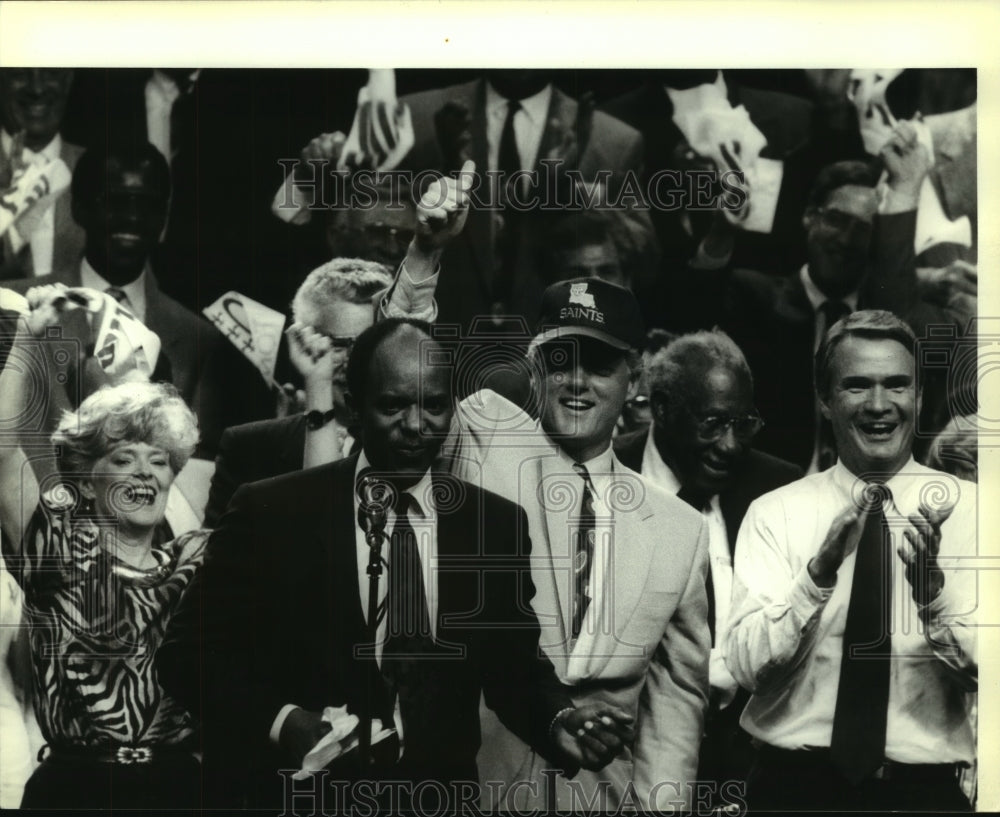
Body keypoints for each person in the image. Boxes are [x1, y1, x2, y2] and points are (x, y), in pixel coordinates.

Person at [159, 317, 632, 810]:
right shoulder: (272, 512)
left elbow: (515, 670)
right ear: (356, 407)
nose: (415, 426)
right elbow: (185, 657)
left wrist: (559, 721)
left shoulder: (492, 524)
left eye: (433, 406)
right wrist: (286, 721)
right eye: (393, 405)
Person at [384, 248, 710, 808]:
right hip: (471, 788)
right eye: (560, 360)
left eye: (600, 366)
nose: (576, 381)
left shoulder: (681, 529)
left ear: (635, 380)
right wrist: (426, 254)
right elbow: (398, 367)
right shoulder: (484, 434)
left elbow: (674, 707)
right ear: (536, 367)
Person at [725, 309, 976, 811]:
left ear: (920, 397)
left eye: (897, 385)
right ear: (825, 400)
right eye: (857, 386)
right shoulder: (776, 513)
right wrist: (817, 575)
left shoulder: (977, 513)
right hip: (791, 790)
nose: (879, 405)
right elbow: (747, 668)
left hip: (921, 793)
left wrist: (934, 600)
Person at [0, 290, 209, 810]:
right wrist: (29, 335)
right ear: (87, 482)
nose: (144, 473)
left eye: (159, 460)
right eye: (123, 458)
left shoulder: (196, 561)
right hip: (74, 790)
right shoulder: (57, 547)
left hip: (177, 788)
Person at [613, 329, 802, 799]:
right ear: (660, 407)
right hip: (622, 764)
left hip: (749, 771)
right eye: (713, 423)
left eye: (744, 423)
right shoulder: (604, 477)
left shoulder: (777, 488)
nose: (731, 444)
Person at [682, 119, 935, 471]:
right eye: (835, 219)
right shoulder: (755, 298)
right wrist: (721, 235)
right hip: (772, 487)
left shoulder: (885, 314)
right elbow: (689, 320)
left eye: (862, 230)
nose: (845, 240)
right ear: (809, 217)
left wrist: (906, 188)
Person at [0, 68, 85, 280]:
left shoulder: (103, 174)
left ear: (68, 79)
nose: (37, 89)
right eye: (19, 72)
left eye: (51, 72)